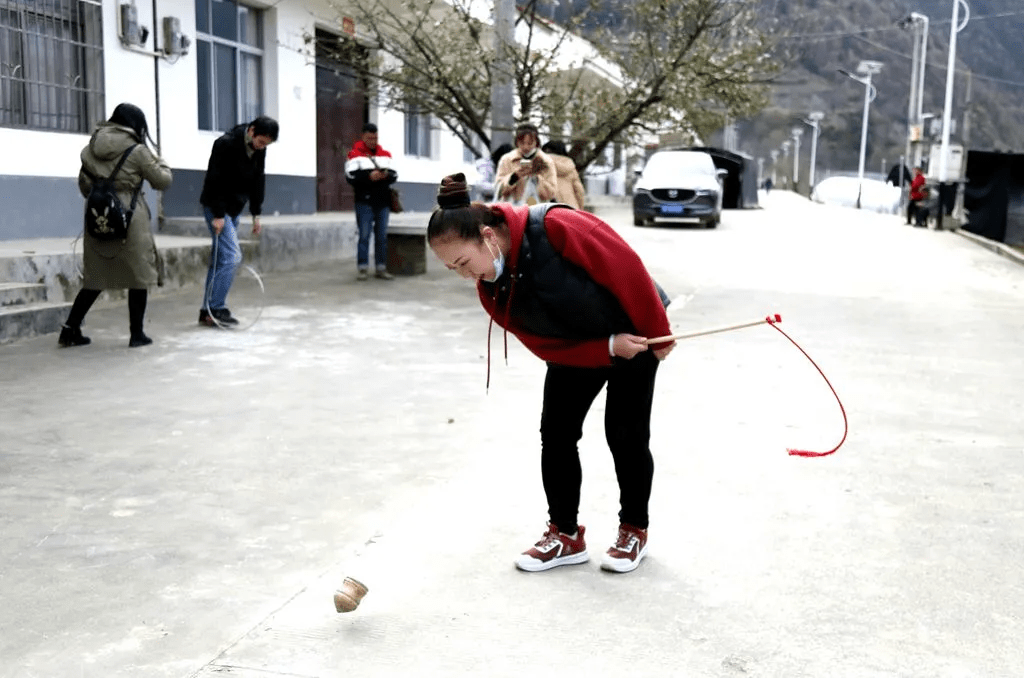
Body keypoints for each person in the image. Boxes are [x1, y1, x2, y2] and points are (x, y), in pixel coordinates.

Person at [427, 173, 675, 574]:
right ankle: (565, 534)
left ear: (488, 237)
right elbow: (544, 346)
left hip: (635, 327)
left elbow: (626, 268)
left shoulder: (557, 226)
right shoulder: (491, 289)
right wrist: (605, 348)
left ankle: (633, 530)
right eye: (450, 268)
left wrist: (658, 334)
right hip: (580, 348)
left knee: (625, 433)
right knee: (556, 433)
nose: (464, 275)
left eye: (463, 262)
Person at [59, 103, 173, 349]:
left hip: (99, 214)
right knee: (138, 275)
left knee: (95, 277)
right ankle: (137, 334)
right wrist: (160, 162)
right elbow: (162, 181)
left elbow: (84, 186)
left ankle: (70, 329)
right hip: (130, 218)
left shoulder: (90, 149)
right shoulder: (139, 151)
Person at [198, 115, 278, 326]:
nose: (261, 147)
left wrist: (256, 214)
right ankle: (217, 307)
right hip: (217, 206)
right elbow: (215, 179)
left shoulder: (259, 150)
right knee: (232, 257)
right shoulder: (225, 144)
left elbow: (258, 179)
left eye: (266, 145)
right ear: (251, 131)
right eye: (261, 142)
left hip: (234, 208)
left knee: (219, 260)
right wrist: (217, 214)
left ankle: (207, 311)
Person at [345, 122, 399, 281]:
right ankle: (362, 268)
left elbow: (394, 175)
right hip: (364, 202)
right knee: (364, 235)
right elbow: (350, 178)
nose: (373, 141)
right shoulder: (354, 155)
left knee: (381, 237)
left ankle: (381, 268)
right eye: (369, 138)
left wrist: (384, 176)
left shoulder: (385, 155)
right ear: (363, 137)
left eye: (375, 138)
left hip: (383, 203)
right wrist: (369, 177)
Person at [494, 124, 557, 206]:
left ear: (536, 142)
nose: (526, 147)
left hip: (537, 209)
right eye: (522, 143)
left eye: (530, 143)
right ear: (516, 142)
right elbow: (498, 190)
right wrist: (515, 176)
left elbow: (551, 193)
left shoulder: (546, 161)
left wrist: (537, 178)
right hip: (512, 209)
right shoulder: (507, 159)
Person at [541, 140, 586, 210]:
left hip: (545, 209)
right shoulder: (570, 168)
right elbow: (579, 191)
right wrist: (581, 208)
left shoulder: (539, 165)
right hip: (570, 208)